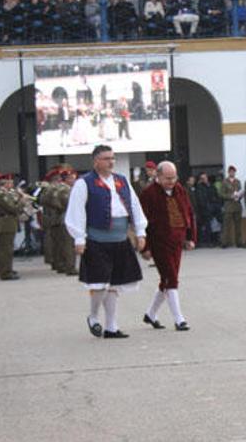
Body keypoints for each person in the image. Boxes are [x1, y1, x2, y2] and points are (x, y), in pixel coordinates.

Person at [65, 145, 147, 339]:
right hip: (96, 240)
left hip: (120, 239)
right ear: (96, 161)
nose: (111, 162)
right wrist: (79, 237)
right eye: (106, 158)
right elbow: (76, 212)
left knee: (114, 285)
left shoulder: (122, 181)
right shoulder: (84, 183)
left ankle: (111, 326)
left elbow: (135, 206)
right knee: (99, 282)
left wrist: (141, 231)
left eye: (112, 158)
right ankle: (93, 317)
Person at [140, 161, 196, 332]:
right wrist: (145, 247)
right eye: (167, 178)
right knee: (171, 279)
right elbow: (141, 221)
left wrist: (190, 237)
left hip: (177, 241)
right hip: (159, 242)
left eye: (174, 177)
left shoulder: (180, 190)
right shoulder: (148, 193)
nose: (172, 181)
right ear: (158, 176)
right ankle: (179, 319)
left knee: (167, 280)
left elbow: (189, 213)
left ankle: (150, 314)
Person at [0, 174, 22, 281]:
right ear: (5, 184)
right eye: (10, 182)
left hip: (5, 223)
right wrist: (22, 201)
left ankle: (7, 270)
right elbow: (13, 209)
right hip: (5, 224)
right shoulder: (2, 195)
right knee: (6, 250)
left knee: (6, 249)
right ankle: (5, 272)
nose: (12, 184)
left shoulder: (1, 194)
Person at [219, 166, 243, 248]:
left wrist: (239, 196)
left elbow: (240, 191)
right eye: (231, 172)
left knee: (238, 225)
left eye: (233, 172)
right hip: (228, 206)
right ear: (228, 172)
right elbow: (221, 194)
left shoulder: (238, 181)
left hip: (237, 206)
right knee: (226, 226)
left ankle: (239, 242)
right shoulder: (224, 182)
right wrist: (230, 196)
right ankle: (224, 242)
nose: (232, 173)